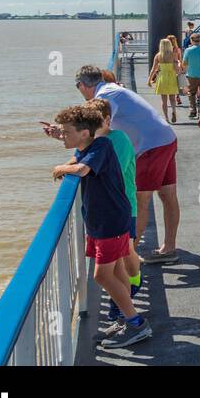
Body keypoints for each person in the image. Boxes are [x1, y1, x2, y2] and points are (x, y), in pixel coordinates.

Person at [50, 105, 151, 347]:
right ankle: (124, 319)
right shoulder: (90, 146)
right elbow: (78, 158)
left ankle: (137, 324)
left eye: (66, 132)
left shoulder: (102, 146)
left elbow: (82, 169)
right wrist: (67, 155)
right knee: (117, 272)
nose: (62, 136)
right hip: (101, 220)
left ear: (85, 132)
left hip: (111, 221)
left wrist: (59, 168)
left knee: (101, 275)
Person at [76, 65, 180, 264]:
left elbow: (100, 127)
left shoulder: (105, 96)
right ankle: (169, 248)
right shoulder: (113, 89)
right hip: (165, 137)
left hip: (151, 147)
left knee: (140, 199)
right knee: (168, 195)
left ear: (82, 85)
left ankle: (127, 255)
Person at [83, 99, 143, 298]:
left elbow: (110, 169)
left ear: (107, 119)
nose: (90, 127)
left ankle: (135, 280)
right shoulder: (94, 143)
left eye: (94, 122)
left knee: (127, 249)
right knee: (118, 257)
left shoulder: (119, 139)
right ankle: (123, 295)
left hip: (124, 205)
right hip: (109, 209)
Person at [147, 38, 183, 124]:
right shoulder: (173, 55)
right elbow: (177, 69)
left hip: (162, 77)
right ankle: (174, 110)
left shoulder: (158, 56)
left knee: (164, 100)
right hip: (172, 77)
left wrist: (149, 80)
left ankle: (166, 118)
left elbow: (153, 69)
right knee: (172, 98)